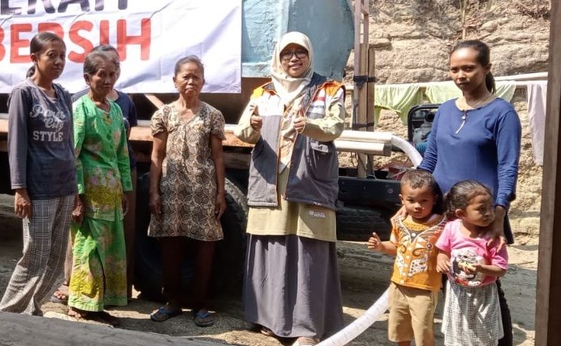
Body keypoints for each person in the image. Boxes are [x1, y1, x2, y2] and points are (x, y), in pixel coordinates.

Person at [235, 31, 346, 344]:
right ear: (278, 58)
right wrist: (252, 127)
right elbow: (244, 132)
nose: (293, 59)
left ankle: (306, 328)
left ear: (309, 56)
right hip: (272, 178)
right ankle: (270, 319)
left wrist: (308, 126)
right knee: (272, 246)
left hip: (309, 177)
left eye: (300, 53)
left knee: (308, 247)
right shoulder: (263, 92)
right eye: (287, 53)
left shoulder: (329, 88)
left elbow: (336, 126)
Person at [417, 39, 520, 345]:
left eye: (468, 68)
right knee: (452, 281)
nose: (460, 75)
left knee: (484, 284)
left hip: (480, 217)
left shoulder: (502, 113)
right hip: (444, 213)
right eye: (454, 69)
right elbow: (430, 159)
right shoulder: (447, 110)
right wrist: (415, 200)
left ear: (486, 68)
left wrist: (499, 214)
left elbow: (508, 167)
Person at [0, 32, 76, 316]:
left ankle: (31, 309)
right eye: (51, 55)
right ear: (35, 59)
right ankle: (3, 315)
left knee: (55, 258)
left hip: (65, 185)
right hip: (38, 188)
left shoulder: (64, 94)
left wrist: (76, 188)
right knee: (35, 256)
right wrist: (20, 189)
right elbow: (16, 143)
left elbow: (69, 142)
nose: (58, 61)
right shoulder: (24, 93)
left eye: (62, 56)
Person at [54, 45, 139, 303]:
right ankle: (81, 303)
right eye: (101, 74)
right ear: (87, 78)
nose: (108, 80)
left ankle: (100, 303)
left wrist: (124, 190)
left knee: (109, 248)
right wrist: (77, 198)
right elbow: (72, 155)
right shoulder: (80, 109)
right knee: (87, 248)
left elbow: (122, 154)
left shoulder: (115, 111)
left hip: (111, 196)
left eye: (112, 74)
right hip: (88, 195)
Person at [147, 55, 226, 328]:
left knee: (205, 249)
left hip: (203, 192)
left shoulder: (213, 115)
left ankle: (201, 304)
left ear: (203, 82)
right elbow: (156, 157)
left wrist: (220, 193)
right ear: (175, 80)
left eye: (196, 76)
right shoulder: (163, 115)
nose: (191, 81)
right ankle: (172, 301)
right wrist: (153, 193)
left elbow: (218, 157)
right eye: (186, 76)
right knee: (170, 248)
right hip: (172, 192)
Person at [367, 170, 447, 346]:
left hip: (424, 288)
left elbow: (448, 247)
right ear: (402, 200)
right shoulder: (399, 222)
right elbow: (396, 247)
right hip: (398, 286)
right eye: (411, 200)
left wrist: (443, 256)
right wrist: (381, 246)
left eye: (423, 200)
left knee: (423, 332)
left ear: (434, 199)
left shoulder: (442, 225)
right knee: (400, 329)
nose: (417, 206)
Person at [435, 180, 509, 346]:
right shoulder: (452, 228)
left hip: (483, 296)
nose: (489, 213)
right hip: (457, 293)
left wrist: (482, 268)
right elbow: (443, 251)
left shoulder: (493, 238)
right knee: (457, 334)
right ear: (461, 214)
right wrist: (442, 260)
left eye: (490, 207)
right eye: (481, 209)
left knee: (483, 337)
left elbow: (501, 269)